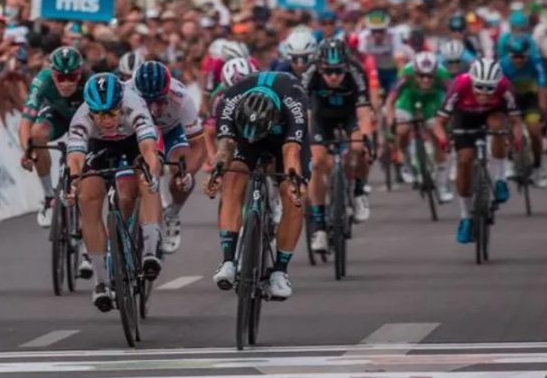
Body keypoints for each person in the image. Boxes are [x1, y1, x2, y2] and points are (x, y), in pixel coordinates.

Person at [204, 71, 309, 300]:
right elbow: (225, 147)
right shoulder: (229, 100)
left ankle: (280, 272)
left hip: (282, 140)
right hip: (243, 135)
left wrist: (292, 184)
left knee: (295, 195)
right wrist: (218, 172)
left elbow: (291, 152)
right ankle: (228, 261)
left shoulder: (293, 102)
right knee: (232, 177)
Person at [65, 73, 161, 311]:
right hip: (99, 148)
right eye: (99, 114)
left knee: (145, 179)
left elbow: (149, 148)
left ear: (120, 105)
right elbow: (75, 159)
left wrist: (153, 172)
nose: (105, 120)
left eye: (110, 112)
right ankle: (100, 280)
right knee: (87, 197)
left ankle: (150, 248)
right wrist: (73, 183)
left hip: (132, 143)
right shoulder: (82, 117)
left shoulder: (134, 105)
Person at [433, 58, 526, 244]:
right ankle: (466, 216)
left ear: (498, 84)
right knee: (465, 159)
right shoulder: (459, 85)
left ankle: (500, 179)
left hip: (492, 114)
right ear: (472, 81)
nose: (484, 93)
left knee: (498, 126)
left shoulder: (505, 87)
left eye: (490, 88)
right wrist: (443, 139)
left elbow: (516, 122)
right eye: (480, 87)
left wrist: (516, 140)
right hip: (464, 118)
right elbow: (439, 123)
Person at [301, 38, 374, 255]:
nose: (333, 76)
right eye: (328, 72)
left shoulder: (356, 71)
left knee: (360, 149)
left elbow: (363, 113)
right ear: (320, 67)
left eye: (338, 71)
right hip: (321, 118)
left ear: (346, 66)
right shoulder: (310, 71)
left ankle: (359, 191)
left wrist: (366, 139)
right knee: (317, 163)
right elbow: (303, 113)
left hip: (349, 115)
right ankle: (319, 226)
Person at [131, 60, 206, 254]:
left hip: (172, 130)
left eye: (159, 101)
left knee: (178, 171)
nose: (154, 108)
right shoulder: (126, 93)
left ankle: (173, 211)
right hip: (139, 131)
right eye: (148, 102)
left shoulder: (181, 97)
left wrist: (187, 173)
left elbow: (198, 145)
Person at [18, 46, 88, 230]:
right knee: (36, 135)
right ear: (53, 74)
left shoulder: (91, 81)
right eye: (60, 78)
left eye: (71, 77)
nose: (66, 83)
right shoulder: (42, 80)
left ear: (80, 74)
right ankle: (49, 196)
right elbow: (26, 122)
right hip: (56, 116)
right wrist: (28, 151)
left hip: (84, 117)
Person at [385, 51, 453, 201]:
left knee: (437, 136)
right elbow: (391, 100)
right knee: (403, 129)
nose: (426, 80)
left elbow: (453, 98)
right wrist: (391, 119)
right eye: (421, 75)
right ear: (415, 72)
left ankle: (442, 185)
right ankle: (405, 160)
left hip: (432, 99)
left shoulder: (443, 74)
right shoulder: (406, 73)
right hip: (408, 97)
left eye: (430, 76)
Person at [498, 35, 547, 180]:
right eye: (515, 57)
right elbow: (499, 91)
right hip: (510, 99)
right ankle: (510, 161)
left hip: (530, 99)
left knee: (534, 131)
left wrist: (543, 110)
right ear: (509, 55)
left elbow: (542, 86)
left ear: (528, 54)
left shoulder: (536, 62)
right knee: (507, 130)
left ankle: (538, 166)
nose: (519, 60)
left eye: (522, 57)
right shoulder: (503, 64)